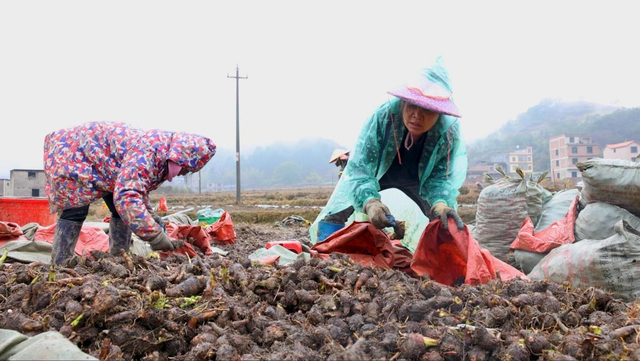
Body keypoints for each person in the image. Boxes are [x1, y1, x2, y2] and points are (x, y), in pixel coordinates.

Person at [313, 57, 468, 242]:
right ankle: (326, 249)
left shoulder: (447, 133)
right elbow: (360, 168)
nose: (417, 115)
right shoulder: (383, 118)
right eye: (412, 105)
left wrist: (441, 203)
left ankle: (439, 263)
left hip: (420, 181)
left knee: (443, 220)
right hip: (378, 173)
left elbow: (440, 178)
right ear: (403, 102)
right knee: (336, 210)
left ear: (440, 112)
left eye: (428, 109)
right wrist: (370, 202)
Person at [43, 122, 217, 264]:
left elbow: (137, 190)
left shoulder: (160, 152)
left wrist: (154, 219)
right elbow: (128, 197)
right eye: (185, 170)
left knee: (120, 210)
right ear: (180, 160)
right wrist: (155, 236)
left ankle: (119, 260)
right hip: (72, 154)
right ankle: (60, 264)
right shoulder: (149, 153)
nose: (184, 174)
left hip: (103, 165)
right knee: (76, 209)